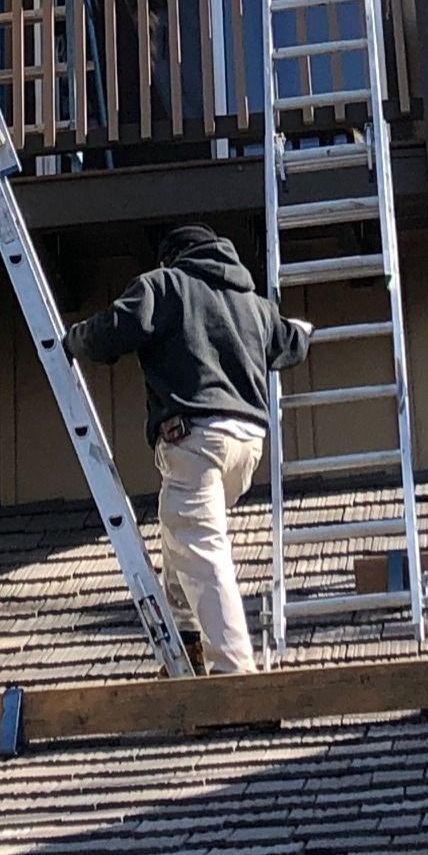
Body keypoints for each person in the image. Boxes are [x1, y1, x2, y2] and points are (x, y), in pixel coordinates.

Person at [64, 224, 312, 675]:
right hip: (247, 444)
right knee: (177, 528)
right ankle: (187, 639)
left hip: (196, 436)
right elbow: (290, 343)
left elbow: (115, 330)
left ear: (171, 258)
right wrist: (303, 330)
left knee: (201, 546)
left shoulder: (165, 285)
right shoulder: (252, 304)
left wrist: (70, 340)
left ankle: (234, 675)